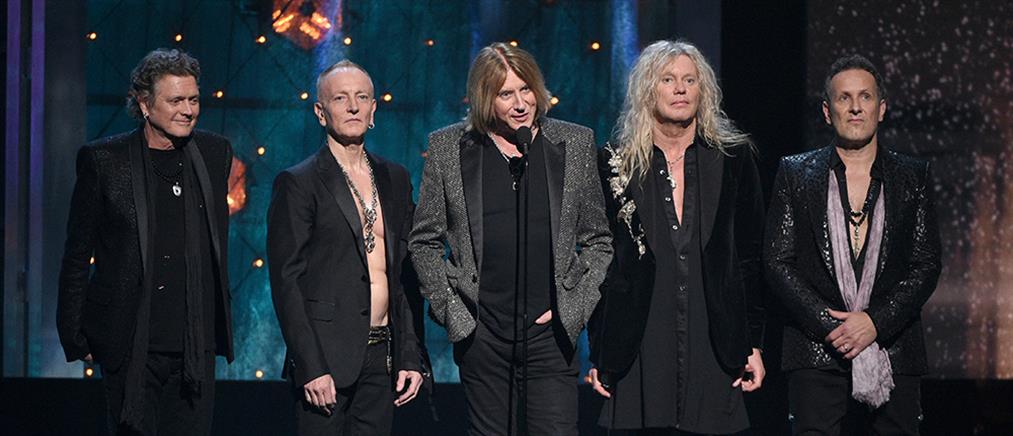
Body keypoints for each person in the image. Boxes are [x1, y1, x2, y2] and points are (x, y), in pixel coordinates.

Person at [409, 42, 612, 435]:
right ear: (485, 98)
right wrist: (455, 313)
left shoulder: (574, 143)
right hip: (482, 334)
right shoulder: (449, 147)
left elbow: (598, 240)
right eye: (506, 94)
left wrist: (573, 307)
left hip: (550, 335)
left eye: (526, 89)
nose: (521, 104)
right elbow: (424, 241)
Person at [586, 40, 766, 434]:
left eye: (690, 80)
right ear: (647, 90)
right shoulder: (614, 162)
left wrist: (752, 342)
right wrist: (601, 348)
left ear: (704, 91)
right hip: (639, 344)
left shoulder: (734, 158)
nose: (680, 89)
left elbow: (749, 258)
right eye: (667, 80)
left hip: (714, 339)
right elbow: (601, 261)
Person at [56, 48, 234, 435]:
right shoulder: (104, 160)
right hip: (128, 339)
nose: (188, 110)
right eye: (176, 101)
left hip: (193, 344)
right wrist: (74, 333)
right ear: (144, 104)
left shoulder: (214, 152)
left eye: (193, 100)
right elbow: (77, 254)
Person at [764, 54, 942, 435]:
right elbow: (778, 262)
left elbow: (926, 264)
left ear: (882, 108)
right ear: (827, 112)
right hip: (817, 349)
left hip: (893, 347)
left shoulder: (913, 177)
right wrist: (833, 327)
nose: (856, 107)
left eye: (865, 97)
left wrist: (875, 322)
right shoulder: (795, 173)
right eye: (844, 98)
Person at [267, 60, 428, 436]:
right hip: (326, 360)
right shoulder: (299, 182)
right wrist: (310, 366)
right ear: (320, 111)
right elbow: (286, 281)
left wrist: (410, 355)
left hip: (383, 357)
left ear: (374, 109)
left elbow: (406, 273)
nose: (353, 106)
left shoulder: (395, 177)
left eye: (362, 97)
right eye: (340, 98)